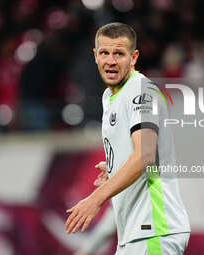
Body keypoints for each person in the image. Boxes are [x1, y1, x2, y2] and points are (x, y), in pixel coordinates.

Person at [65, 22, 190, 255]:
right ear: (95, 56)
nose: (110, 61)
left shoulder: (141, 91)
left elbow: (144, 154)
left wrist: (95, 199)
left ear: (133, 57)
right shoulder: (110, 97)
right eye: (104, 53)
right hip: (135, 233)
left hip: (154, 230)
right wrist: (114, 169)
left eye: (119, 54)